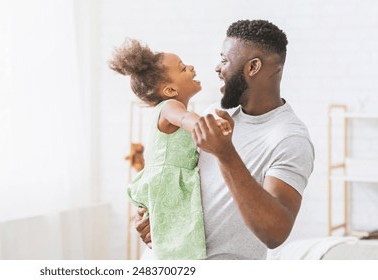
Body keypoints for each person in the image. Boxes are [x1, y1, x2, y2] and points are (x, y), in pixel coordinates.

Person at [135, 19, 315, 260]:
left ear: (252, 67)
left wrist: (226, 154)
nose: (217, 68)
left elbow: (276, 232)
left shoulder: (289, 137)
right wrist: (158, 217)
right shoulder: (215, 113)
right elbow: (183, 182)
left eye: (224, 60)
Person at [109, 39, 231, 259]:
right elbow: (185, 119)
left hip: (166, 181)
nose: (191, 68)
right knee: (180, 240)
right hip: (168, 182)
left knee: (170, 237)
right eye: (183, 68)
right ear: (170, 89)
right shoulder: (170, 107)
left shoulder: (164, 109)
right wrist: (208, 126)